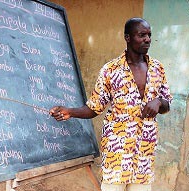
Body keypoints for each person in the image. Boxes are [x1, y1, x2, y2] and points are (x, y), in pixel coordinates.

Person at [49, 17, 172, 191]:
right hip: (117, 151)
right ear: (128, 38)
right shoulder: (111, 70)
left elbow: (167, 104)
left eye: (149, 35)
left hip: (144, 152)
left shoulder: (158, 69)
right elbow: (95, 107)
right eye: (142, 35)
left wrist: (159, 102)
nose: (147, 39)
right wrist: (70, 112)